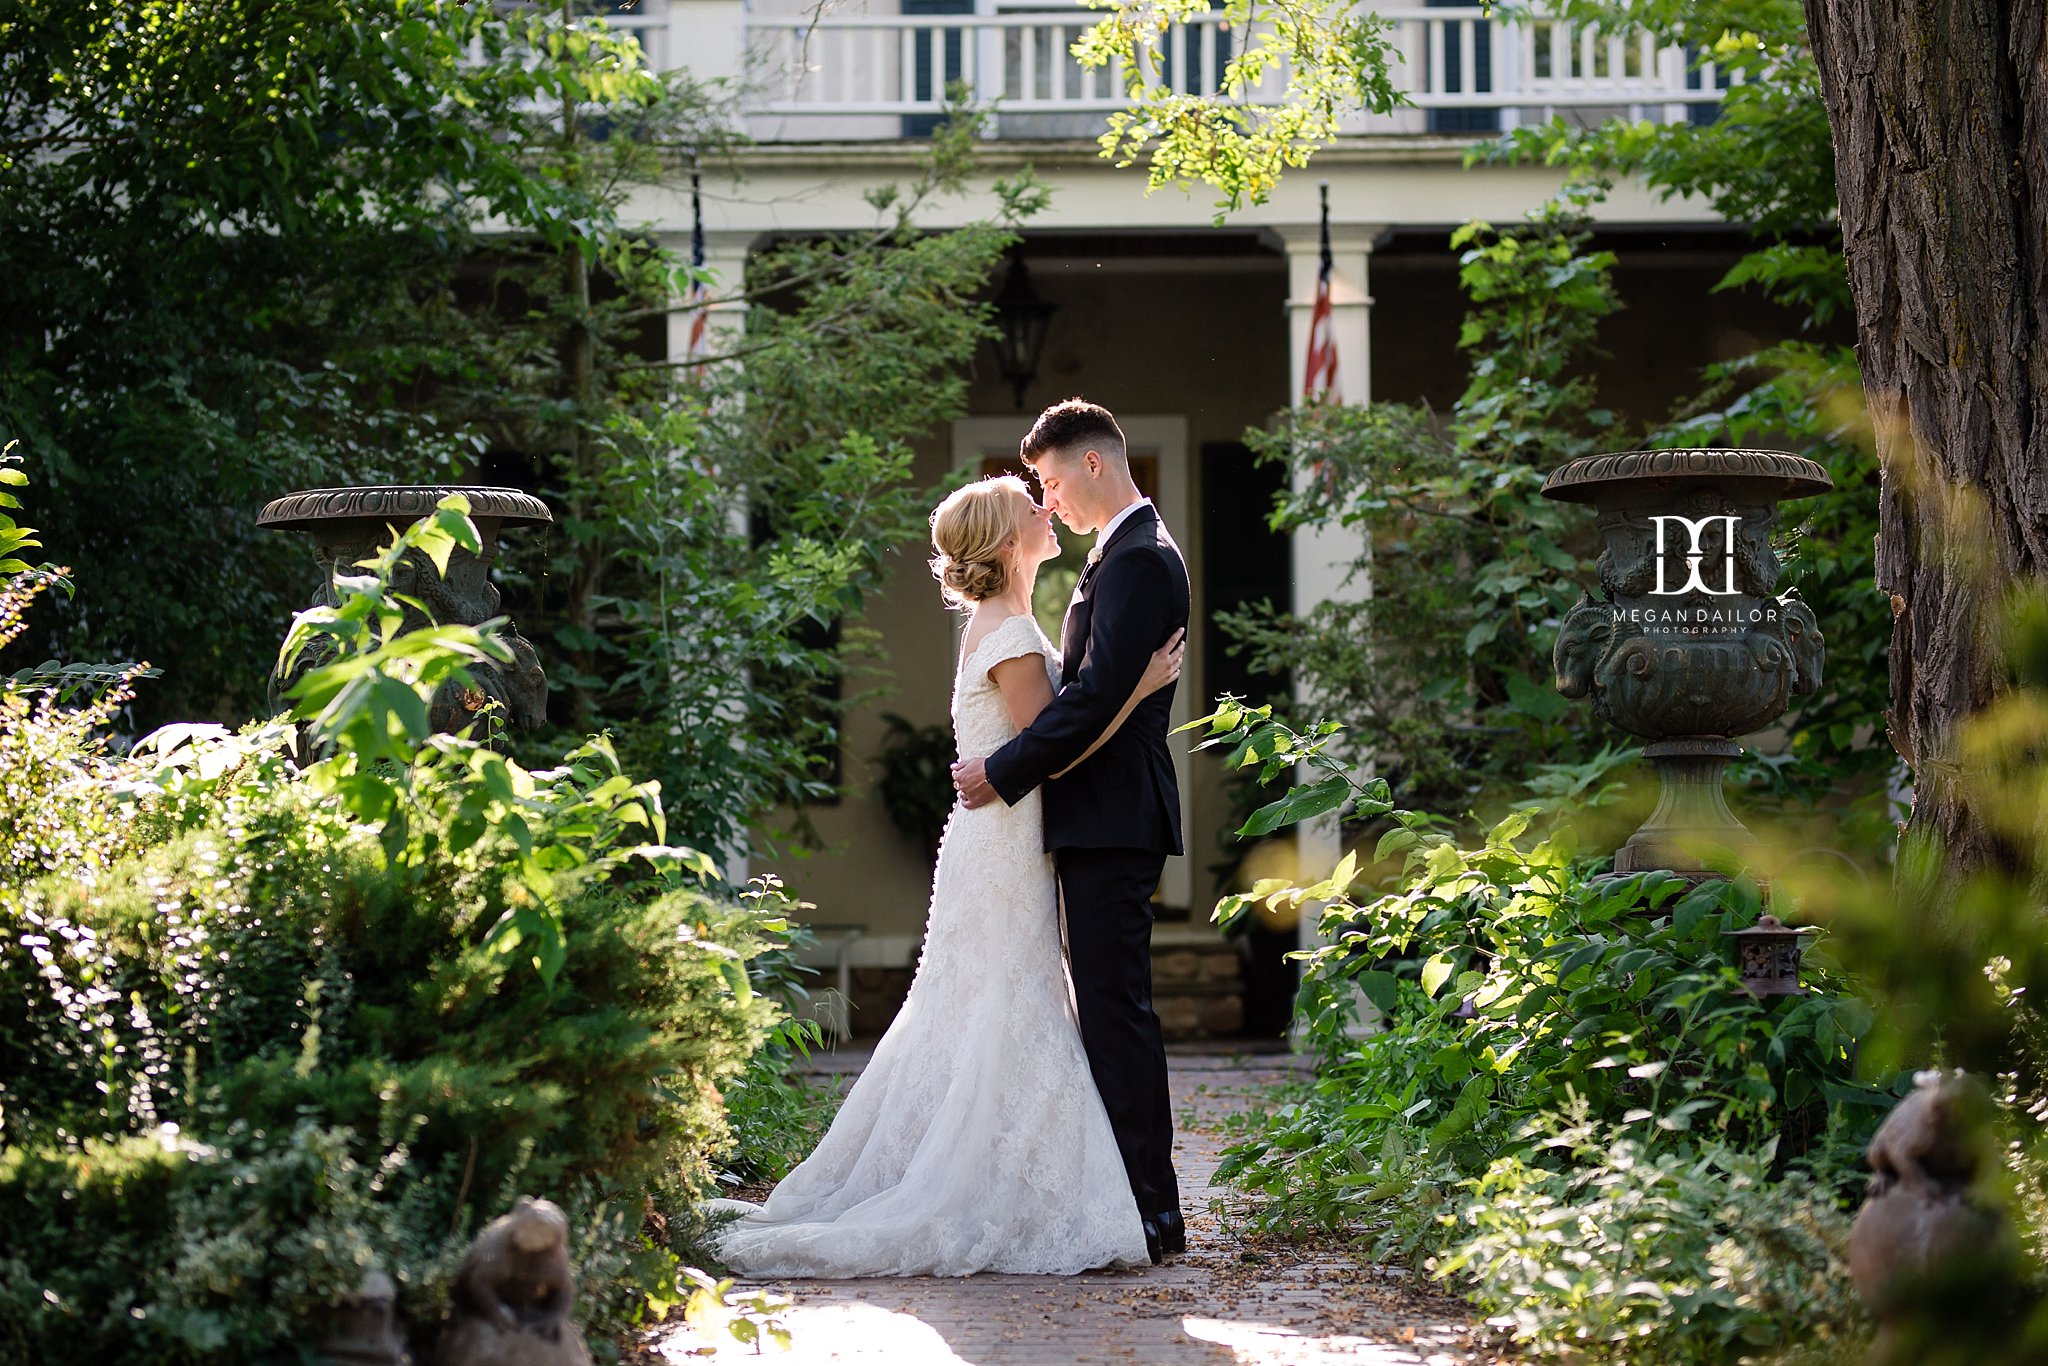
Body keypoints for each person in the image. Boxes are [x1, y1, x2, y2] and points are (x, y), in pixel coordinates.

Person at [706, 471, 1186, 1278]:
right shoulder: (1005, 631)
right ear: (1008, 542)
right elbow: (1057, 749)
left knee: (993, 1005)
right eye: (1034, 507)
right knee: (1008, 1002)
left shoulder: (1008, 620)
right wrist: (1134, 686)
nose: (1048, 509)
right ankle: (995, 1185)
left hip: (1001, 839)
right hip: (1004, 841)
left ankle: (1010, 1172)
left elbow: (1047, 734)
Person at [951, 398, 1192, 1266]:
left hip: (1114, 818)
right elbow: (1098, 693)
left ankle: (1153, 1213)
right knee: (1107, 1012)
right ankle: (1136, 1201)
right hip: (1095, 817)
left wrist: (1004, 769)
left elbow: (1090, 701)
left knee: (1117, 1014)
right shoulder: (1113, 559)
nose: (1047, 501)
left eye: (1052, 481)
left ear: (1094, 464)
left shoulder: (1139, 561)